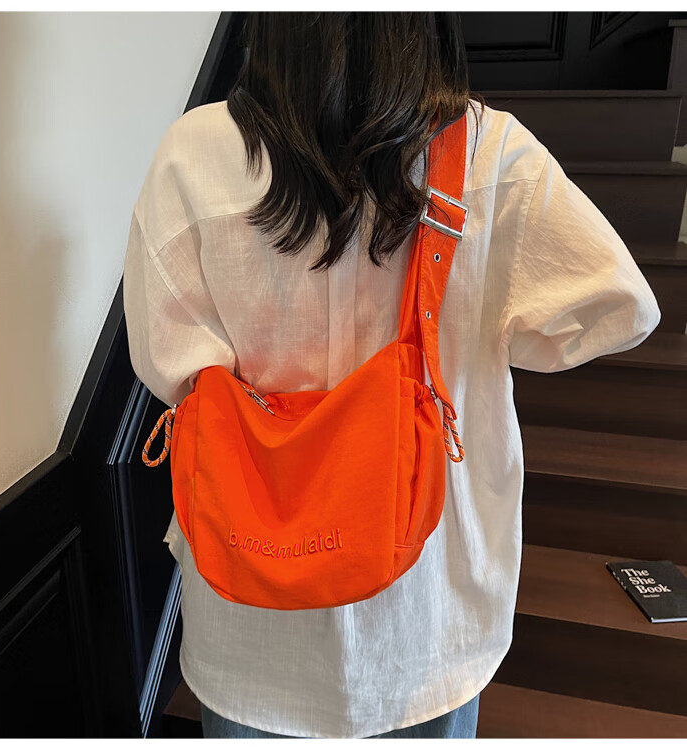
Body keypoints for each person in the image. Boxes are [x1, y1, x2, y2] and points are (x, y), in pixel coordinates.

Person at [122, 12, 661, 739]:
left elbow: (165, 363)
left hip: (251, 608)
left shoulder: (192, 154)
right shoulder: (486, 151)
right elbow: (619, 307)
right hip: (428, 613)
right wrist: (487, 331)